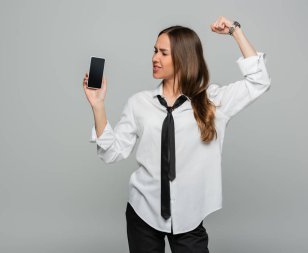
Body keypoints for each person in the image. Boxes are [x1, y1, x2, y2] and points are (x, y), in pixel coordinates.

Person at [82, 16, 271, 253]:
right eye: (154, 51)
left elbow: (258, 81)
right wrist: (98, 105)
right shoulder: (139, 103)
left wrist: (235, 31)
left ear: (182, 58)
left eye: (163, 53)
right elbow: (111, 153)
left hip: (190, 216)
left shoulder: (213, 101)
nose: (154, 58)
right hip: (143, 211)